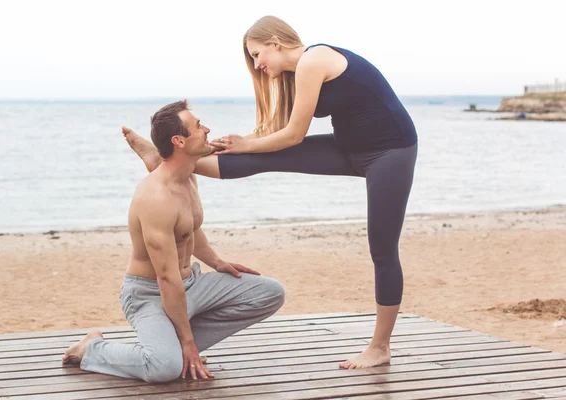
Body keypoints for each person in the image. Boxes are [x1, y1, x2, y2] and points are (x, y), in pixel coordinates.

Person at [123, 15, 417, 369]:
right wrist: (249, 145)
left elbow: (293, 135)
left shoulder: (313, 59)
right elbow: (279, 134)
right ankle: (167, 161)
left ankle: (380, 347)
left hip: (390, 150)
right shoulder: (294, 74)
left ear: (276, 42)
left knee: (382, 248)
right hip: (349, 147)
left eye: (257, 53)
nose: (257, 64)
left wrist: (247, 144)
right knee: (264, 157)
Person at [62, 100, 285, 383]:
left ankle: (175, 346)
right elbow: (166, 278)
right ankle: (91, 348)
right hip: (150, 294)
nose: (206, 129)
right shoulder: (156, 197)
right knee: (163, 368)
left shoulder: (187, 174)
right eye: (198, 126)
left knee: (270, 292)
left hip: (191, 284)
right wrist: (189, 343)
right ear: (178, 141)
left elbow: (188, 228)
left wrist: (217, 262)